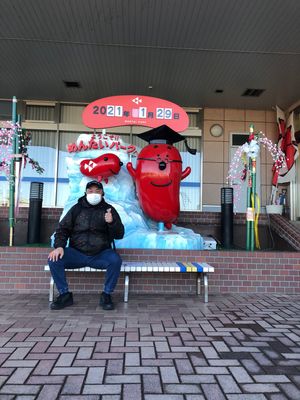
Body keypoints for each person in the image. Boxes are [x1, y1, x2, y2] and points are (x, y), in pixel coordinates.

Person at [48, 180, 124, 311]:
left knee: (115, 260)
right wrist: (59, 246)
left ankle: (106, 294)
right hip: (76, 253)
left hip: (100, 254)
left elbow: (119, 234)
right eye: (90, 191)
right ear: (85, 192)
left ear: (102, 193)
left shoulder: (109, 210)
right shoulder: (76, 209)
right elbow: (62, 229)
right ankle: (64, 294)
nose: (94, 193)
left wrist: (111, 222)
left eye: (97, 191)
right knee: (54, 259)